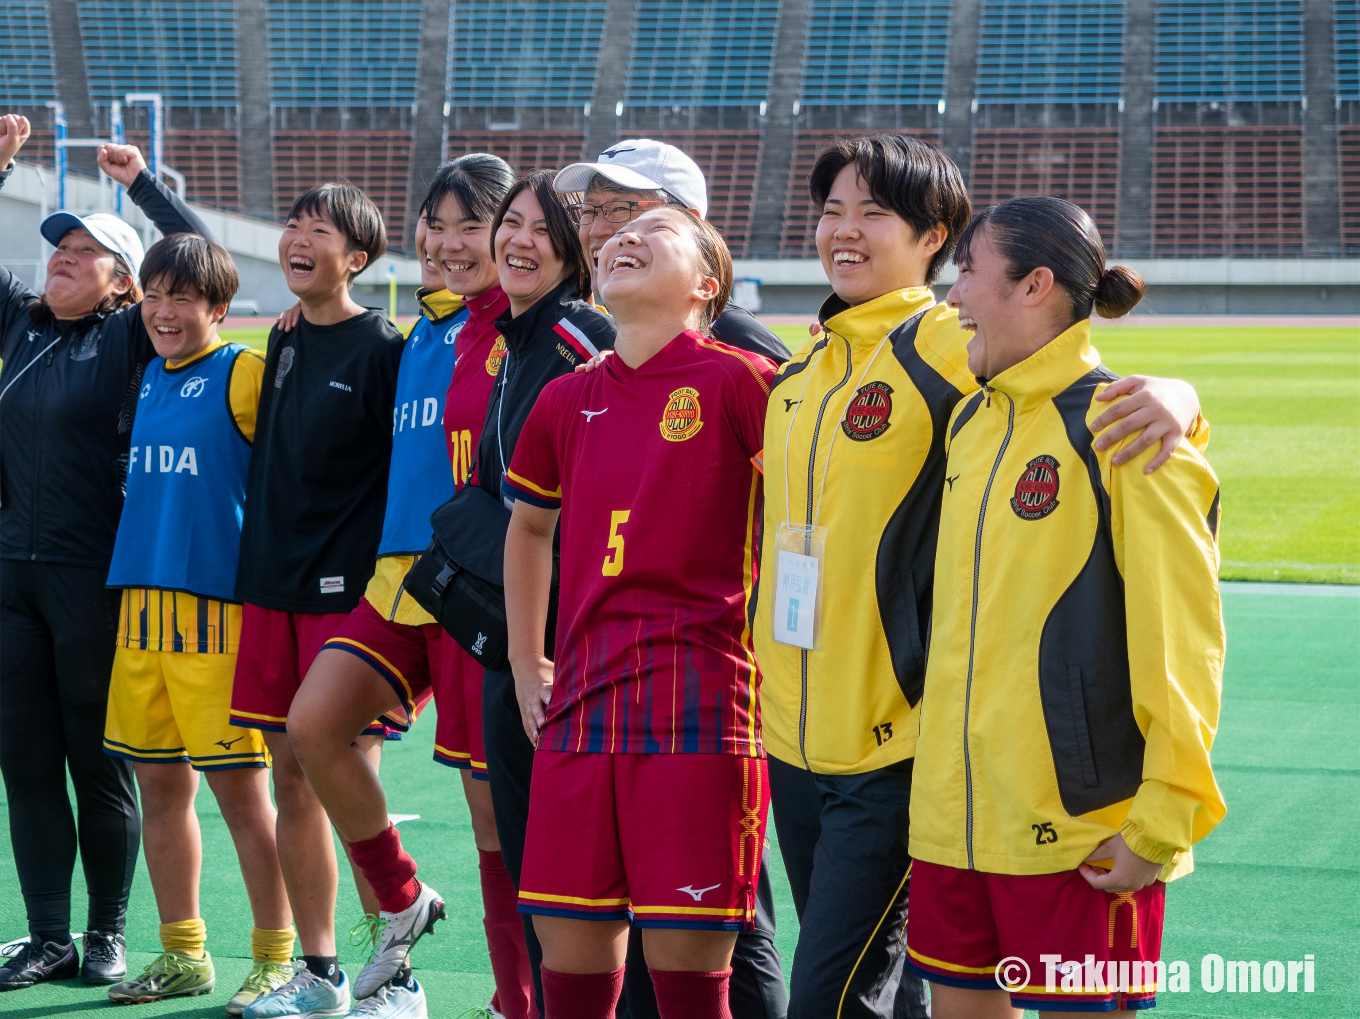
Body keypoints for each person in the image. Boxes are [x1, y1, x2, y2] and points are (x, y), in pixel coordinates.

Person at [751, 135, 1207, 1019]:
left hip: (920, 757)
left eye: (871, 212)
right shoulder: (816, 370)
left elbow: (1079, 383)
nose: (843, 230)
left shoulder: (948, 344)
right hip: (848, 762)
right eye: (831, 210)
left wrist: (1179, 398)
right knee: (897, 995)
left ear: (933, 239)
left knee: (835, 997)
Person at [286, 170, 613, 1015]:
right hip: (408, 578)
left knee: (493, 817)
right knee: (313, 723)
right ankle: (402, 899)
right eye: (435, 223)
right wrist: (306, 309)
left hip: (482, 593)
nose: (447, 242)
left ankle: (516, 999)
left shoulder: (531, 328)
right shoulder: (430, 331)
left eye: (473, 225)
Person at [905, 196, 1225, 1017]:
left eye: (967, 272)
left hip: (1082, 835)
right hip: (950, 825)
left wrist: (1161, 822)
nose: (952, 295)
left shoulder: (1130, 428)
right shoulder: (971, 420)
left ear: (1034, 285)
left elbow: (1183, 644)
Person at [503, 205, 774, 1019]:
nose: (624, 236)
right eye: (618, 233)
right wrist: (525, 659)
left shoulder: (742, 382)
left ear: (705, 286)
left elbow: (811, 519)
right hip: (581, 709)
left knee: (690, 978)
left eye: (656, 230)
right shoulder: (566, 397)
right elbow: (528, 527)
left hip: (701, 710)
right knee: (571, 963)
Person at [0, 116, 215, 992]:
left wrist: (142, 187)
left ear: (125, 282)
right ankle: (47, 935)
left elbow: (201, 259)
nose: (63, 256)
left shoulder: (127, 336)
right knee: (25, 763)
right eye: (60, 246)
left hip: (93, 578)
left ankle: (108, 932)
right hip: (11, 579)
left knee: (99, 763)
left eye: (86, 251)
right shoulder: (18, 326)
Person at [95, 234, 294, 1013]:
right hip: (139, 617)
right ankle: (184, 951)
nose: (164, 311)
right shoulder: (148, 375)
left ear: (220, 306)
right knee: (158, 787)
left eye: (183, 297)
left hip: (217, 621)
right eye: (153, 295)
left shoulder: (244, 371)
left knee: (243, 796)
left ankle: (279, 956)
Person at [227, 183, 403, 1019]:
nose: (297, 236)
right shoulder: (285, 334)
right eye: (292, 223)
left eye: (319, 228)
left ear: (356, 258)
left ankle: (394, 976)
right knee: (290, 782)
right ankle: (323, 971)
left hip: (346, 595)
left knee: (350, 780)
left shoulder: (384, 347)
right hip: (270, 585)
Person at [554, 138, 788, 364]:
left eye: (619, 209)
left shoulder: (735, 340)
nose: (596, 230)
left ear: (691, 224)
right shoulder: (603, 354)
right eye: (588, 211)